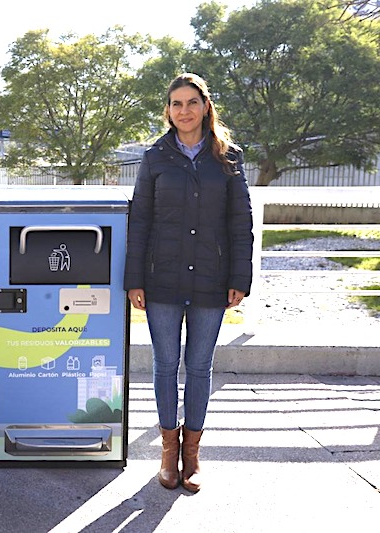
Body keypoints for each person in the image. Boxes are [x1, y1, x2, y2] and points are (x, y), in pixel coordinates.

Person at [123, 73, 253, 493]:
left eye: (191, 102)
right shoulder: (154, 157)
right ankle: (167, 451)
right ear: (167, 110)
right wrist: (134, 279)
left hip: (212, 282)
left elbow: (240, 222)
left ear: (205, 105)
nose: (184, 111)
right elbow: (139, 219)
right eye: (176, 104)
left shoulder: (228, 157)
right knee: (164, 365)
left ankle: (192, 455)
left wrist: (239, 278)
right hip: (161, 279)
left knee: (199, 367)